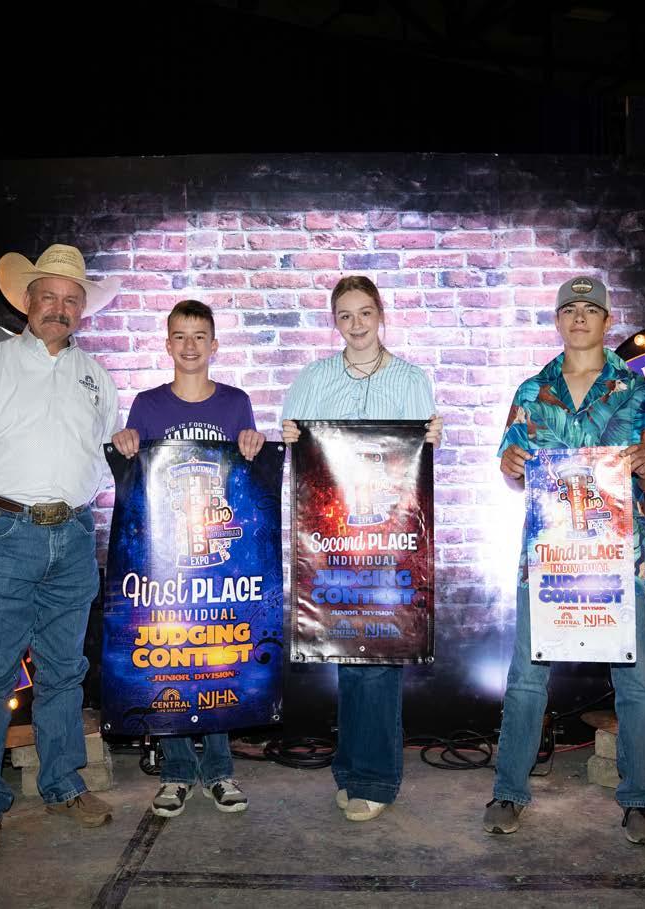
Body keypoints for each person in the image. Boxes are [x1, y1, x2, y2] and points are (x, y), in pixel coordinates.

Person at [0, 243, 120, 859]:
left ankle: (63, 784)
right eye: (49, 297)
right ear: (27, 301)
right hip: (3, 533)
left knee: (65, 670)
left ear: (81, 311)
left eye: (71, 300)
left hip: (74, 534)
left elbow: (105, 452)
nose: (59, 309)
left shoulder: (96, 377)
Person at [484, 274, 645, 845]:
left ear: (607, 320)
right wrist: (511, 465)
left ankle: (639, 799)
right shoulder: (531, 391)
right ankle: (508, 792)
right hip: (547, 560)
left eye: (591, 309)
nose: (580, 317)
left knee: (636, 682)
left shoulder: (636, 391)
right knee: (526, 680)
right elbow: (511, 469)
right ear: (558, 321)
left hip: (618, 560)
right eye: (569, 309)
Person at [281, 275, 442, 822]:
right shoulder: (312, 379)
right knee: (347, 655)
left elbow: (418, 464)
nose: (356, 324)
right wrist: (290, 439)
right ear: (335, 321)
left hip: (390, 543)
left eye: (365, 312)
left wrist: (431, 439)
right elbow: (301, 459)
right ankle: (351, 770)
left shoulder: (412, 380)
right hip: (334, 542)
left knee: (379, 659)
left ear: (381, 315)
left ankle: (375, 779)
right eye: (345, 315)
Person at [111, 299, 265, 817]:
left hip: (222, 559)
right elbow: (134, 479)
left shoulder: (236, 403)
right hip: (165, 560)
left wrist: (252, 443)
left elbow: (246, 479)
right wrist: (126, 442)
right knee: (172, 653)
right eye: (180, 336)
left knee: (219, 656)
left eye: (200, 336)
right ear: (167, 344)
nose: (190, 345)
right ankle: (176, 772)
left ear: (214, 345)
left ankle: (220, 771)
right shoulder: (148, 405)